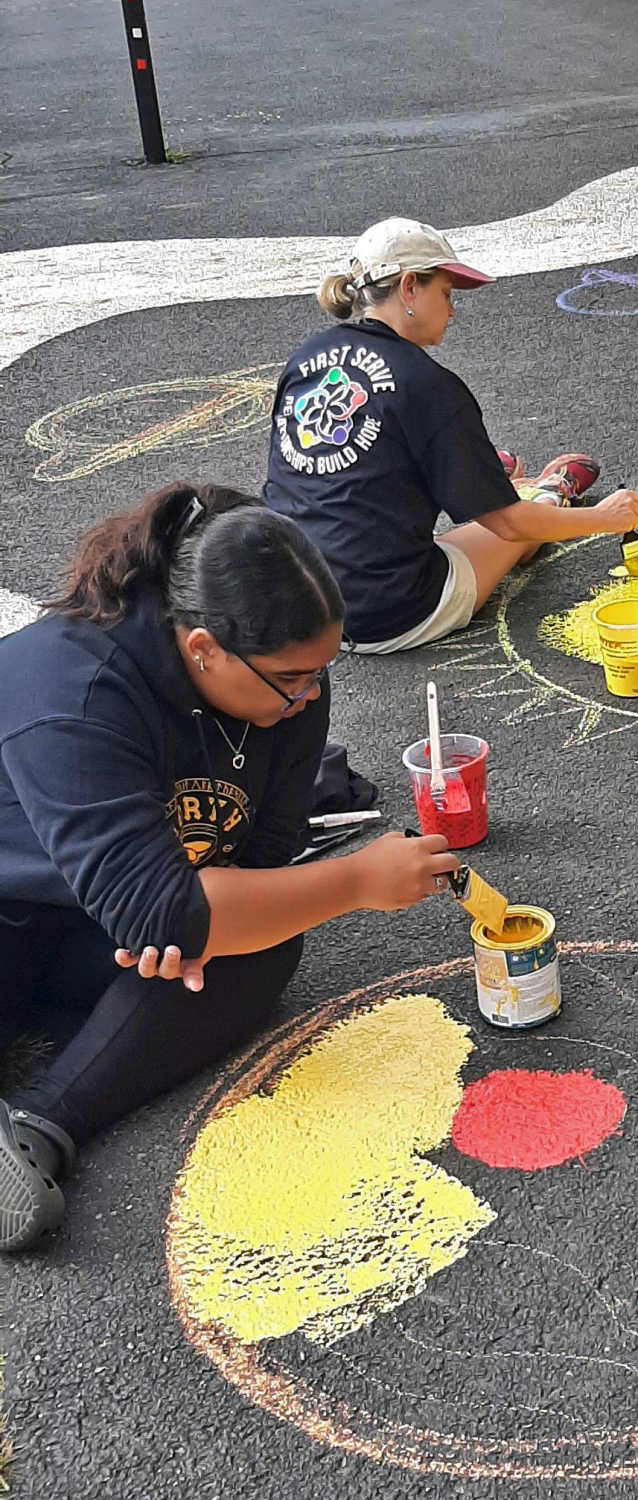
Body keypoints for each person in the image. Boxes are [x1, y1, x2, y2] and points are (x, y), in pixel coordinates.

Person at [0, 483, 460, 1252]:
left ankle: (41, 1124)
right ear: (203, 647)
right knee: (240, 921)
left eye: (322, 670)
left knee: (265, 939)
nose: (311, 695)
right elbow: (172, 912)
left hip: (110, 926)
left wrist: (190, 919)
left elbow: (264, 854)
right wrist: (353, 881)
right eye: (293, 679)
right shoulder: (72, 690)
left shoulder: (286, 683)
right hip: (13, 910)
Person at [264, 217, 638, 652]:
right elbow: (506, 524)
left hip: (296, 601)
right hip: (385, 613)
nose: (452, 310)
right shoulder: (426, 385)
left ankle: (482, 480)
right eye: (444, 293)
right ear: (409, 287)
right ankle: (546, 493)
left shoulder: (305, 358)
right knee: (521, 535)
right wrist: (604, 519)